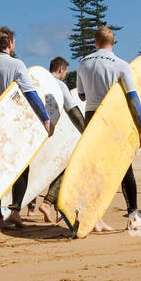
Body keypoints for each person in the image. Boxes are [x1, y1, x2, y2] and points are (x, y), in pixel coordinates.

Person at [0, 27, 53, 229]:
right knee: (21, 167)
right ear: (10, 43)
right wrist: (45, 118)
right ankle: (15, 211)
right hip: (8, 125)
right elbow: (30, 93)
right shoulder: (16, 65)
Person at [75, 26, 141, 232]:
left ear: (95, 42)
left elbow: (81, 95)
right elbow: (133, 98)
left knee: (95, 169)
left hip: (91, 118)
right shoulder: (122, 65)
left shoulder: (82, 63)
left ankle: (95, 218)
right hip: (113, 118)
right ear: (113, 43)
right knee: (125, 167)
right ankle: (133, 215)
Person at [33, 56, 87, 222]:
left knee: (35, 172)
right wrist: (86, 131)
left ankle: (53, 210)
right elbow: (73, 110)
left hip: (34, 135)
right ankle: (49, 203)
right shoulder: (60, 85)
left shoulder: (38, 81)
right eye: (65, 72)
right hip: (52, 134)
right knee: (65, 166)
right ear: (61, 70)